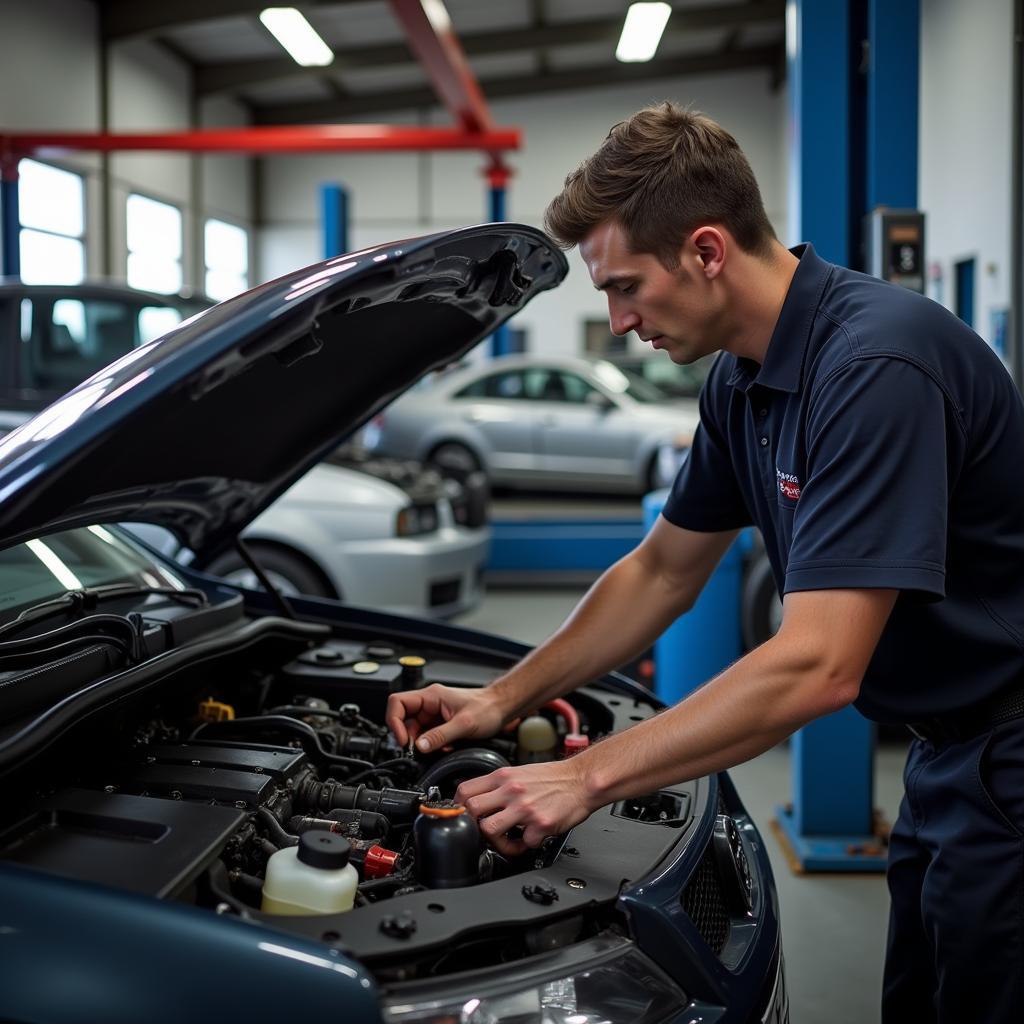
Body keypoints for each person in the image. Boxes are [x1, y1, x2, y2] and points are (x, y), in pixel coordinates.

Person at [386, 102, 1024, 1022]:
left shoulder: (877, 365)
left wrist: (585, 775)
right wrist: (500, 699)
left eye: (627, 287)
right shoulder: (743, 378)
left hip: (1007, 756)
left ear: (708, 251)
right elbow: (662, 571)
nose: (617, 321)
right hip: (948, 756)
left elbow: (818, 663)